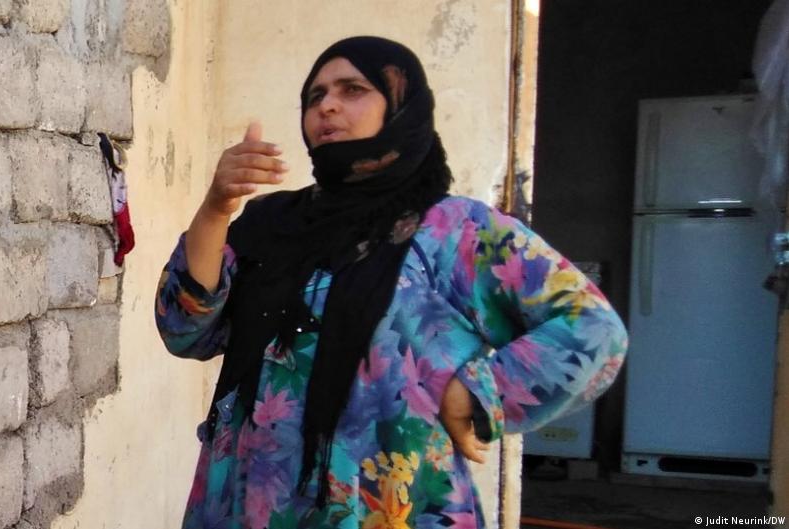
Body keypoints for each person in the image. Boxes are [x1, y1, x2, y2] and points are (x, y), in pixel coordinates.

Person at [155, 36, 628, 529]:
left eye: (353, 89)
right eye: (315, 97)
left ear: (402, 107)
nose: (328, 106)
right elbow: (184, 330)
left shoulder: (452, 231)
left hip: (387, 509)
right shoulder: (271, 224)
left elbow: (593, 329)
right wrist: (216, 207)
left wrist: (478, 393)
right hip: (245, 503)